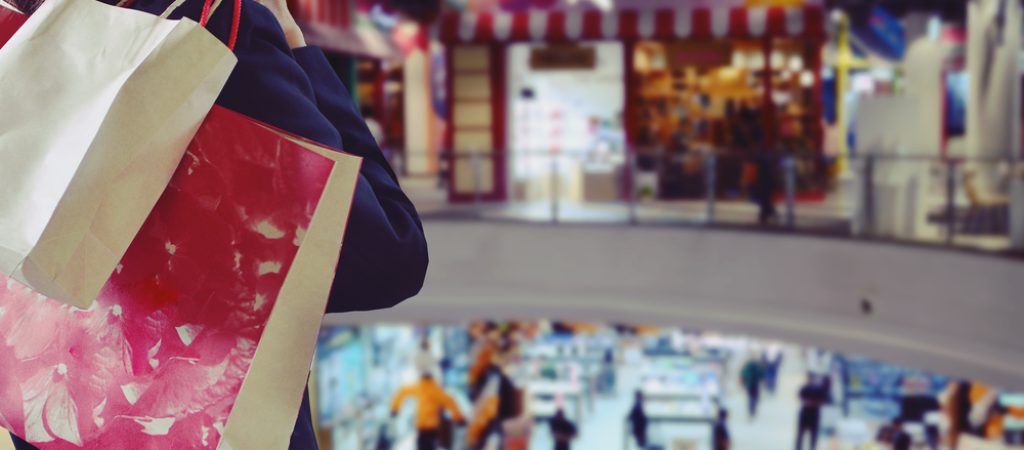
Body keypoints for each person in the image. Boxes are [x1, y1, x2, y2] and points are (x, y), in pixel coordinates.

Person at [9, 0, 427, 448]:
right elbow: (386, 259)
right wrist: (298, 49)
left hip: (51, 419)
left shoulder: (26, 29)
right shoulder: (217, 27)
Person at [391, 374, 466, 450]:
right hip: (433, 426)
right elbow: (450, 402)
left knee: (422, 445)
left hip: (421, 425)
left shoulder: (418, 387)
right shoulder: (436, 390)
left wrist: (395, 409)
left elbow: (402, 392)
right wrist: (459, 418)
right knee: (430, 446)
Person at [796, 374, 828, 450]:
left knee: (812, 434)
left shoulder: (818, 389)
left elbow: (823, 399)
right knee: (801, 434)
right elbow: (800, 397)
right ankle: (799, 447)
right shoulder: (805, 388)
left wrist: (814, 402)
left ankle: (811, 447)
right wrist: (808, 402)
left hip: (813, 413)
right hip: (806, 413)